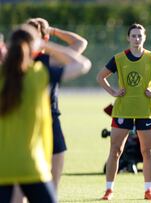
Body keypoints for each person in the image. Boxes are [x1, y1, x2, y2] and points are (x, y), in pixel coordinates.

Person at [0, 25, 90, 203]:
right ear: (32, 47)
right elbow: (82, 64)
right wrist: (44, 45)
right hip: (31, 165)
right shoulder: (38, 74)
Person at [97, 23, 151, 200]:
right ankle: (109, 190)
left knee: (147, 151)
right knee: (115, 150)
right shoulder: (119, 58)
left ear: (144, 38)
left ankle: (148, 190)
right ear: (128, 38)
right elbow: (101, 77)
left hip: (146, 111)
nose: (137, 38)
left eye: (140, 36)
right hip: (123, 110)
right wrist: (114, 92)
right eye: (133, 35)